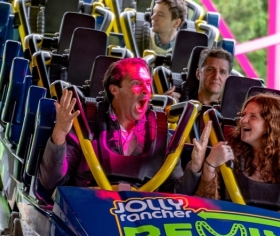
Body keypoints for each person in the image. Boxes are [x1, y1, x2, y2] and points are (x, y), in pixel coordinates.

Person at [38, 57, 198, 192]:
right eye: (137, 83)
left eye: (148, 83)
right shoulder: (84, 124)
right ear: (114, 90)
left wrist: (195, 167)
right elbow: (51, 182)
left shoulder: (162, 134)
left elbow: (176, 194)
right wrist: (59, 133)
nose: (146, 90)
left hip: (140, 221)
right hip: (89, 214)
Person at [188, 92, 280, 222]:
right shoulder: (226, 154)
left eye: (253, 116)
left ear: (272, 125)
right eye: (243, 115)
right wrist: (210, 165)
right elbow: (205, 210)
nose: (243, 120)